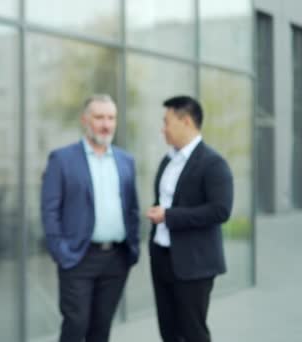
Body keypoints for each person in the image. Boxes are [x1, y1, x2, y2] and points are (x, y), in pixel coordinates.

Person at [41, 94, 140, 342]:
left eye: (111, 118)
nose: (106, 124)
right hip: (78, 257)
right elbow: (49, 210)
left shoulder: (125, 160)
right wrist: (61, 251)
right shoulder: (62, 159)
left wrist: (133, 246)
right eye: (99, 117)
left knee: (101, 328)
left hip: (116, 259)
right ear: (85, 120)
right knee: (76, 325)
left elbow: (132, 208)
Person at [146, 95, 234, 342]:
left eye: (166, 122)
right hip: (162, 258)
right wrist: (159, 211)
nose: (162, 128)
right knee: (168, 331)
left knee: (193, 332)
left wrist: (168, 216)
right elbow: (167, 200)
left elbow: (220, 210)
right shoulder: (168, 160)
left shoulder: (213, 163)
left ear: (185, 121)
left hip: (194, 264)